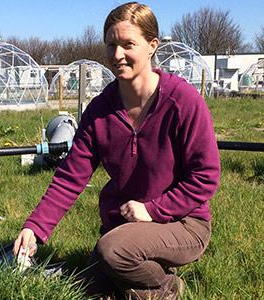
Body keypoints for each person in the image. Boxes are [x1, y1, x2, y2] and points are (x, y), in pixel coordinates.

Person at [14, 2, 221, 299]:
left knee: (113, 252)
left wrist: (152, 210)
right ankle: (134, 280)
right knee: (86, 285)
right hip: (124, 224)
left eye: (128, 44)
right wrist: (35, 228)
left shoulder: (183, 102)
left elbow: (206, 176)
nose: (117, 55)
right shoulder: (100, 110)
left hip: (183, 222)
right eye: (111, 45)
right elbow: (70, 177)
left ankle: (166, 286)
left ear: (152, 46)